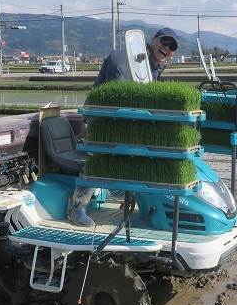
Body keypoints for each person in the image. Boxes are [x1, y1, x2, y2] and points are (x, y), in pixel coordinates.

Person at [67, 28, 179, 226]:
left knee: (138, 158)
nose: (166, 47)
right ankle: (76, 208)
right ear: (153, 40)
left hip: (129, 121)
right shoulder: (124, 58)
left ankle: (132, 203)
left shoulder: (153, 68)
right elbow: (120, 91)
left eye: (172, 47)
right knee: (98, 160)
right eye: (164, 41)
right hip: (104, 118)